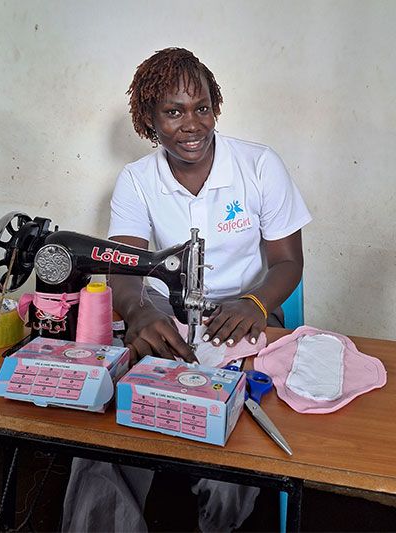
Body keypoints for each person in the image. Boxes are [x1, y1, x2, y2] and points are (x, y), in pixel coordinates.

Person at [62, 47, 311, 533]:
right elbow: (125, 267)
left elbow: (287, 262)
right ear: (149, 120)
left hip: (249, 310)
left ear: (216, 107)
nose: (192, 124)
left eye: (202, 108)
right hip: (166, 309)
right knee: (106, 422)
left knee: (233, 429)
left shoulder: (259, 166)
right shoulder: (137, 180)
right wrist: (138, 312)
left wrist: (256, 302)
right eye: (174, 112)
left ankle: (222, 522)